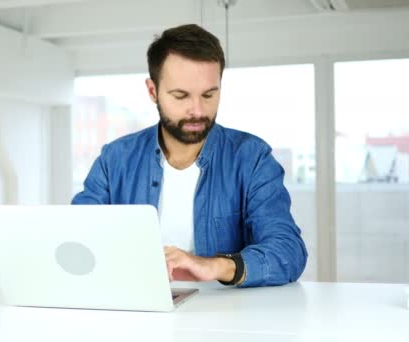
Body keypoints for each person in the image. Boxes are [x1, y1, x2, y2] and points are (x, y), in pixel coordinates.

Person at [72, 24, 307, 287]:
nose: (197, 110)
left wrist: (214, 266)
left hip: (226, 319)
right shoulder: (114, 160)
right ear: (153, 91)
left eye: (209, 94)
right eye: (181, 95)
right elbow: (77, 240)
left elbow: (289, 252)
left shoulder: (252, 158)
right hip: (134, 311)